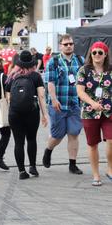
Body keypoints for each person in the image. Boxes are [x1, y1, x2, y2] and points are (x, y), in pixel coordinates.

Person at [43, 34, 84, 174]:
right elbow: (50, 82)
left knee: (74, 133)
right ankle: (48, 150)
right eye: (65, 44)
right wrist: (54, 99)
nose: (68, 46)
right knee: (58, 135)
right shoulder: (53, 61)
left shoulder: (80, 60)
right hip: (58, 105)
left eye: (70, 44)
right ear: (60, 45)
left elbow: (85, 81)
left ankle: (72, 164)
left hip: (74, 104)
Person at [6, 50, 48, 179]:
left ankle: (21, 171)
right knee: (31, 139)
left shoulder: (11, 75)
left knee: (18, 142)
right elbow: (41, 96)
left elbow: (8, 97)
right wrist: (44, 114)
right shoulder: (35, 76)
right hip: (31, 112)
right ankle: (33, 167)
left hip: (15, 113)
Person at [76, 41, 112, 186]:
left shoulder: (110, 70)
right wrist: (92, 103)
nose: (97, 55)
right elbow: (80, 91)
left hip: (109, 112)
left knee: (111, 140)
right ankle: (96, 174)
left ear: (105, 54)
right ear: (90, 54)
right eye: (94, 52)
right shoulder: (84, 70)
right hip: (89, 113)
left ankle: (110, 168)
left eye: (100, 52)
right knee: (93, 144)